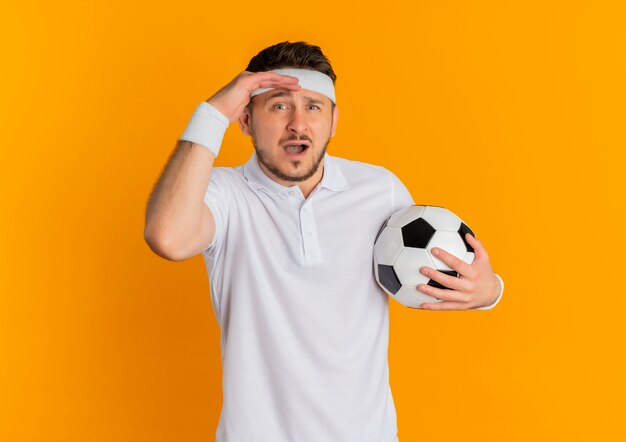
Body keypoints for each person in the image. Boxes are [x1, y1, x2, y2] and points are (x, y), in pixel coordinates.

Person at [144, 41, 504, 442]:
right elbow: (168, 237)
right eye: (279, 106)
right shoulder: (223, 194)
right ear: (244, 120)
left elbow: (434, 275)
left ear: (333, 121)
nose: (298, 124)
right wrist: (211, 115)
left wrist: (489, 289)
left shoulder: (380, 190)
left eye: (313, 106)